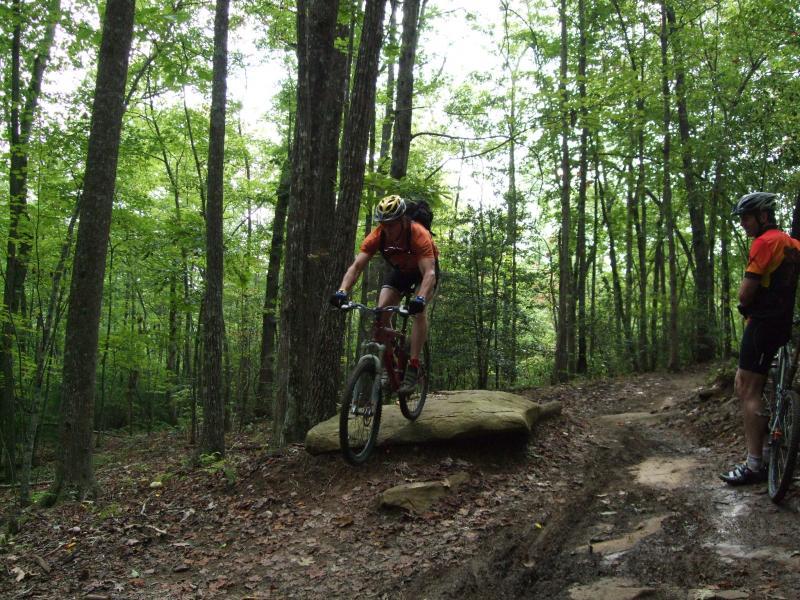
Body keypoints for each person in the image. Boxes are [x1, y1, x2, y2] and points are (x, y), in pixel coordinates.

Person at [721, 192, 800, 485]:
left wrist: (745, 305)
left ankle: (755, 464)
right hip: (782, 323)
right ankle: (768, 448)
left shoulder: (765, 243)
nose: (743, 223)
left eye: (747, 217)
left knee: (746, 387)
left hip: (762, 324)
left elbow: (745, 292)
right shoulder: (793, 244)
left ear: (763, 217)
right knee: (765, 384)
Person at [329, 195, 439, 394]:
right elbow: (356, 267)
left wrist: (420, 299)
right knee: (381, 313)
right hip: (401, 272)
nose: (387, 228)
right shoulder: (377, 236)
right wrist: (341, 291)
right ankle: (389, 367)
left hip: (424, 272)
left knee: (419, 313)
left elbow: (429, 273)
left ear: (402, 220)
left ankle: (413, 367)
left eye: (391, 224)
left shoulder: (418, 233)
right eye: (383, 224)